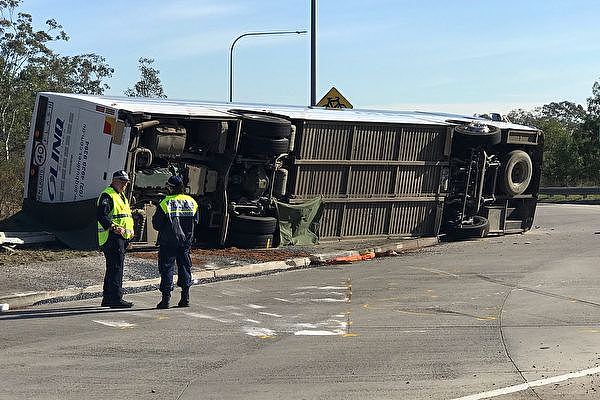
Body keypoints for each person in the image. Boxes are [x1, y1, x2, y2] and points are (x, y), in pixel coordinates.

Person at [152, 175, 199, 309]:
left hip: (168, 242)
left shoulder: (165, 202)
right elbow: (196, 221)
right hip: (185, 242)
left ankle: (165, 300)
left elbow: (157, 224)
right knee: (185, 267)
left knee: (167, 268)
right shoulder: (191, 202)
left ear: (171, 188)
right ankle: (185, 298)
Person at [97, 170, 135, 308]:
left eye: (126, 182)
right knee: (116, 268)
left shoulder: (121, 195)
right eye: (123, 182)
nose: (125, 185)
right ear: (115, 181)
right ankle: (116, 299)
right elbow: (101, 215)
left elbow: (125, 217)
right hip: (112, 236)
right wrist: (113, 227)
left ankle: (107, 298)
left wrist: (130, 232)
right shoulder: (108, 194)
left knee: (112, 268)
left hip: (121, 237)